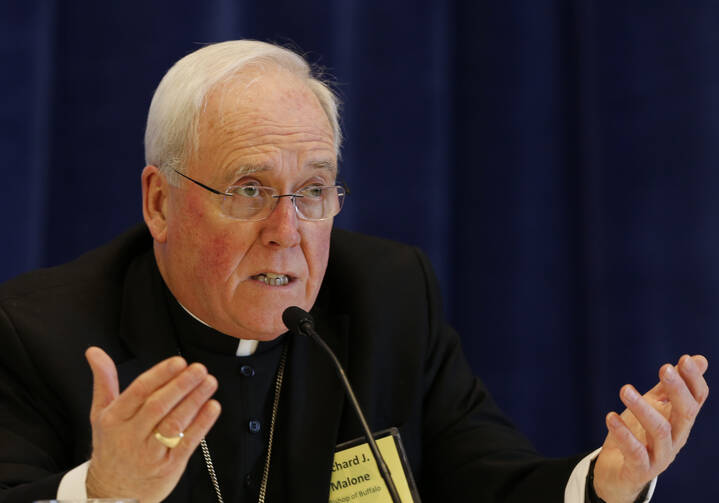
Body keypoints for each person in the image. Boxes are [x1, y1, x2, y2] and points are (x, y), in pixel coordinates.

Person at [0, 40, 708, 503]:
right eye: (249, 189)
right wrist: (102, 494)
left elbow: (488, 480)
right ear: (161, 201)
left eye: (313, 190)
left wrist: (605, 484)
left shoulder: (388, 296)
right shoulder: (37, 331)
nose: (287, 231)